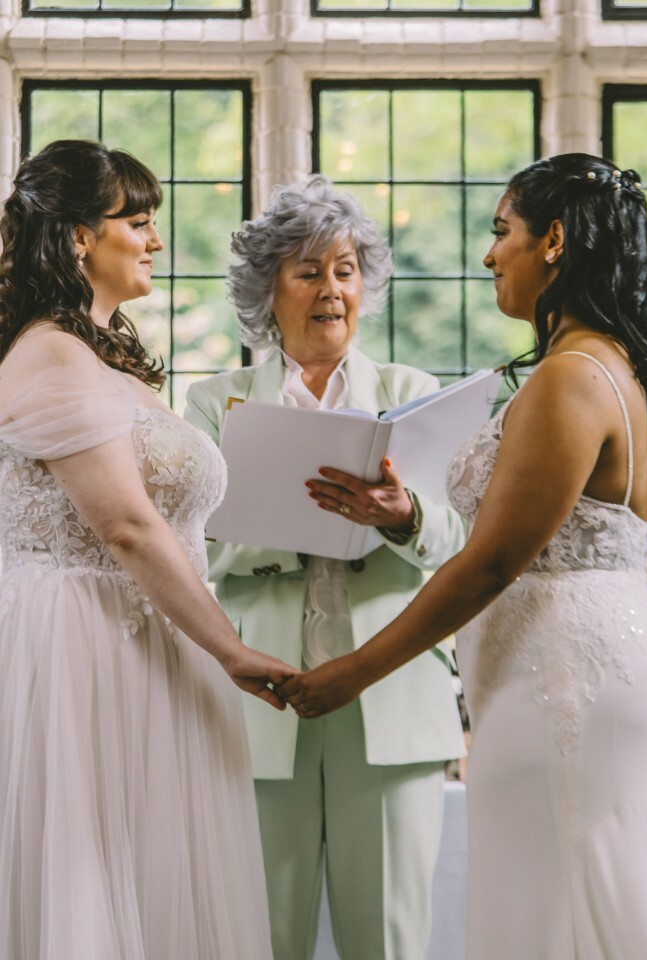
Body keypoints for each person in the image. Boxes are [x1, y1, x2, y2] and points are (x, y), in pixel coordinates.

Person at [282, 154, 647, 959]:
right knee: (579, 887)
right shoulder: (623, 371)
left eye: (503, 232)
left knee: (552, 894)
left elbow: (490, 563)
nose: (490, 255)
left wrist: (352, 672)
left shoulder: (568, 380)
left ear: (554, 241)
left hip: (558, 672)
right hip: (592, 654)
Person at [0, 139, 297, 960]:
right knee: (91, 870)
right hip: (84, 643)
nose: (157, 240)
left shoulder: (107, 360)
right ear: (76, 239)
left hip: (153, 640)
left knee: (153, 874)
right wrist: (231, 651)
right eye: (139, 220)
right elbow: (126, 526)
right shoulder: (51, 353)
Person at [184, 175, 466, 960]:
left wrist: (402, 517)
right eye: (308, 271)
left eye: (345, 270)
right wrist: (298, 522)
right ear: (267, 288)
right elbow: (191, 540)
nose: (331, 289)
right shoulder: (217, 403)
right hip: (260, 701)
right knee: (261, 936)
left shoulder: (414, 394)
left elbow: (461, 544)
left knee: (389, 938)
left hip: (392, 700)